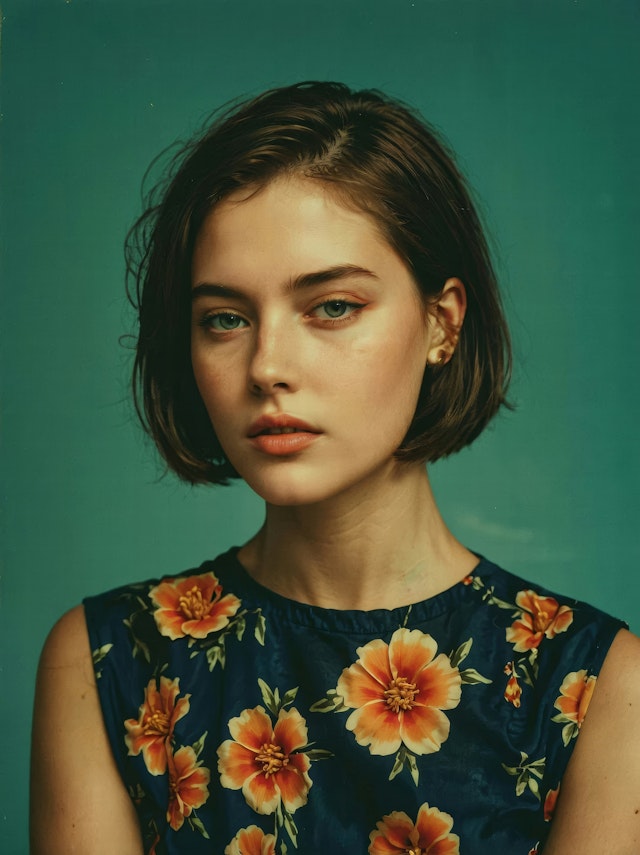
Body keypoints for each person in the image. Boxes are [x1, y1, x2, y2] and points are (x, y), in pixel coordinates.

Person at [30, 81, 640, 855]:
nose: (267, 365)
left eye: (332, 306)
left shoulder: (595, 686)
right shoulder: (109, 660)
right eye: (225, 318)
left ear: (441, 323)